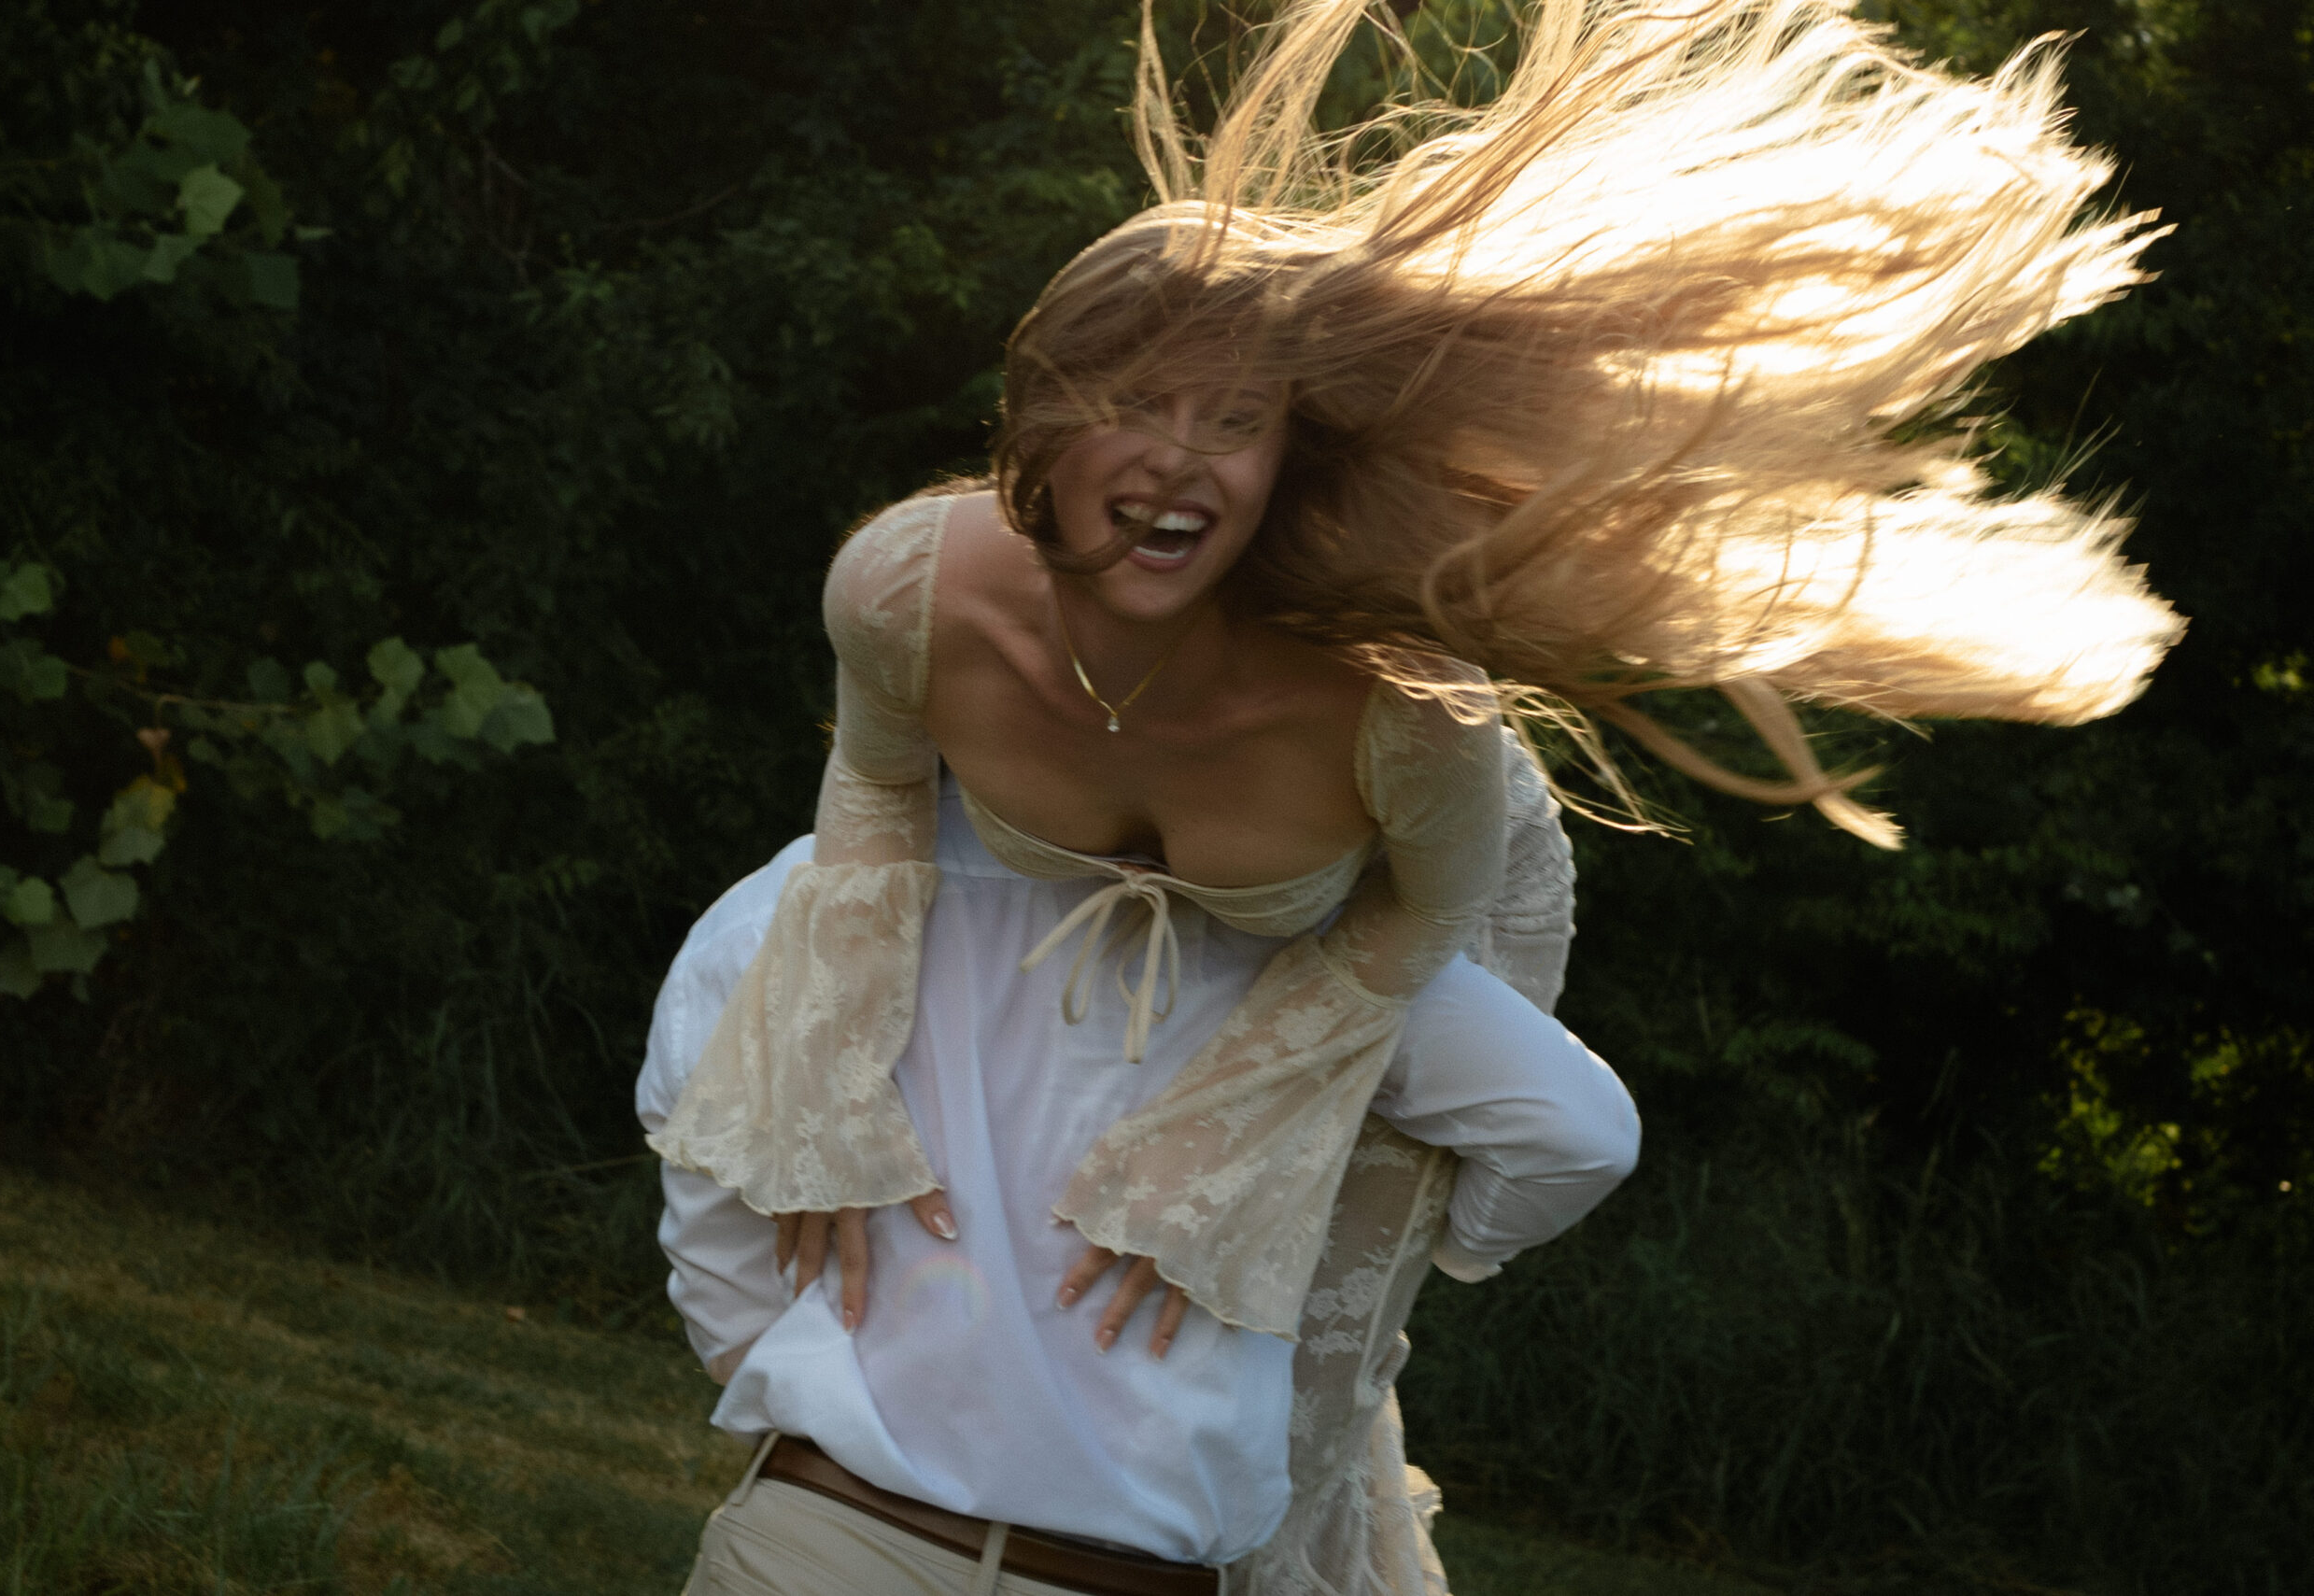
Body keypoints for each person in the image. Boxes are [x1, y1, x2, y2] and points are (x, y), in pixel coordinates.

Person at [645, 0, 2181, 1589]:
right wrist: (824, 1102)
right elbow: (868, 801)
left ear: (1288, 463)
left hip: (1325, 988)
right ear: (1040, 415)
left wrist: (1266, 1169)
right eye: (1140, 403)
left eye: (1236, 421)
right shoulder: (905, 598)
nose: (1183, 457)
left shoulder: (1395, 719)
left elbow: (1455, 960)